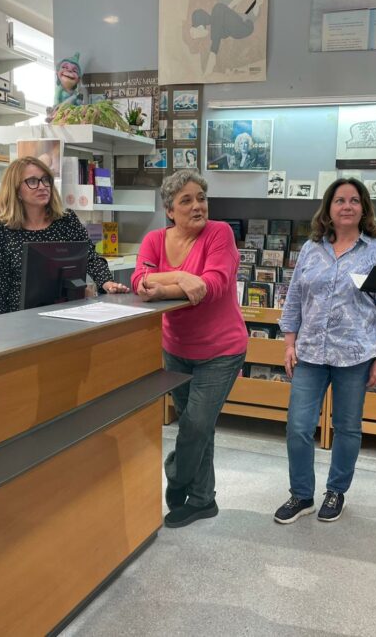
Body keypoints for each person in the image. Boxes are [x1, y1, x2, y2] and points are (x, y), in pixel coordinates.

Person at [274, 178, 376, 524]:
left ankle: (336, 491)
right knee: (298, 426)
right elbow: (295, 298)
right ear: (328, 208)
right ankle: (301, 495)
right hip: (310, 354)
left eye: (354, 200)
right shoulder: (311, 249)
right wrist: (289, 343)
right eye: (340, 200)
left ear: (364, 208)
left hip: (355, 356)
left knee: (347, 428)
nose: (347, 206)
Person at [130, 170, 247, 529]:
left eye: (201, 198)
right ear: (169, 210)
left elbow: (213, 283)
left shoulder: (219, 233)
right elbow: (137, 281)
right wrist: (180, 277)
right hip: (175, 349)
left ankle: (176, 475)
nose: (197, 206)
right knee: (200, 427)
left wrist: (160, 284)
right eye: (186, 200)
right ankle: (202, 500)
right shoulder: (153, 239)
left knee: (195, 426)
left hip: (221, 350)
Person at [0, 157, 128, 316]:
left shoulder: (66, 220)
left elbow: (90, 257)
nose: (42, 186)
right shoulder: (2, 226)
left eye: (46, 180)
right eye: (32, 181)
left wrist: (106, 282)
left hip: (68, 312)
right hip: (20, 319)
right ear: (16, 190)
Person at [189, 0, 262, 75]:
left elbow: (253, 15)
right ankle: (200, 27)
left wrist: (255, 2)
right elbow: (227, 11)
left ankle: (213, 55)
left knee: (218, 7)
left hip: (243, 26)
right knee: (198, 13)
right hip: (225, 24)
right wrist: (234, 2)